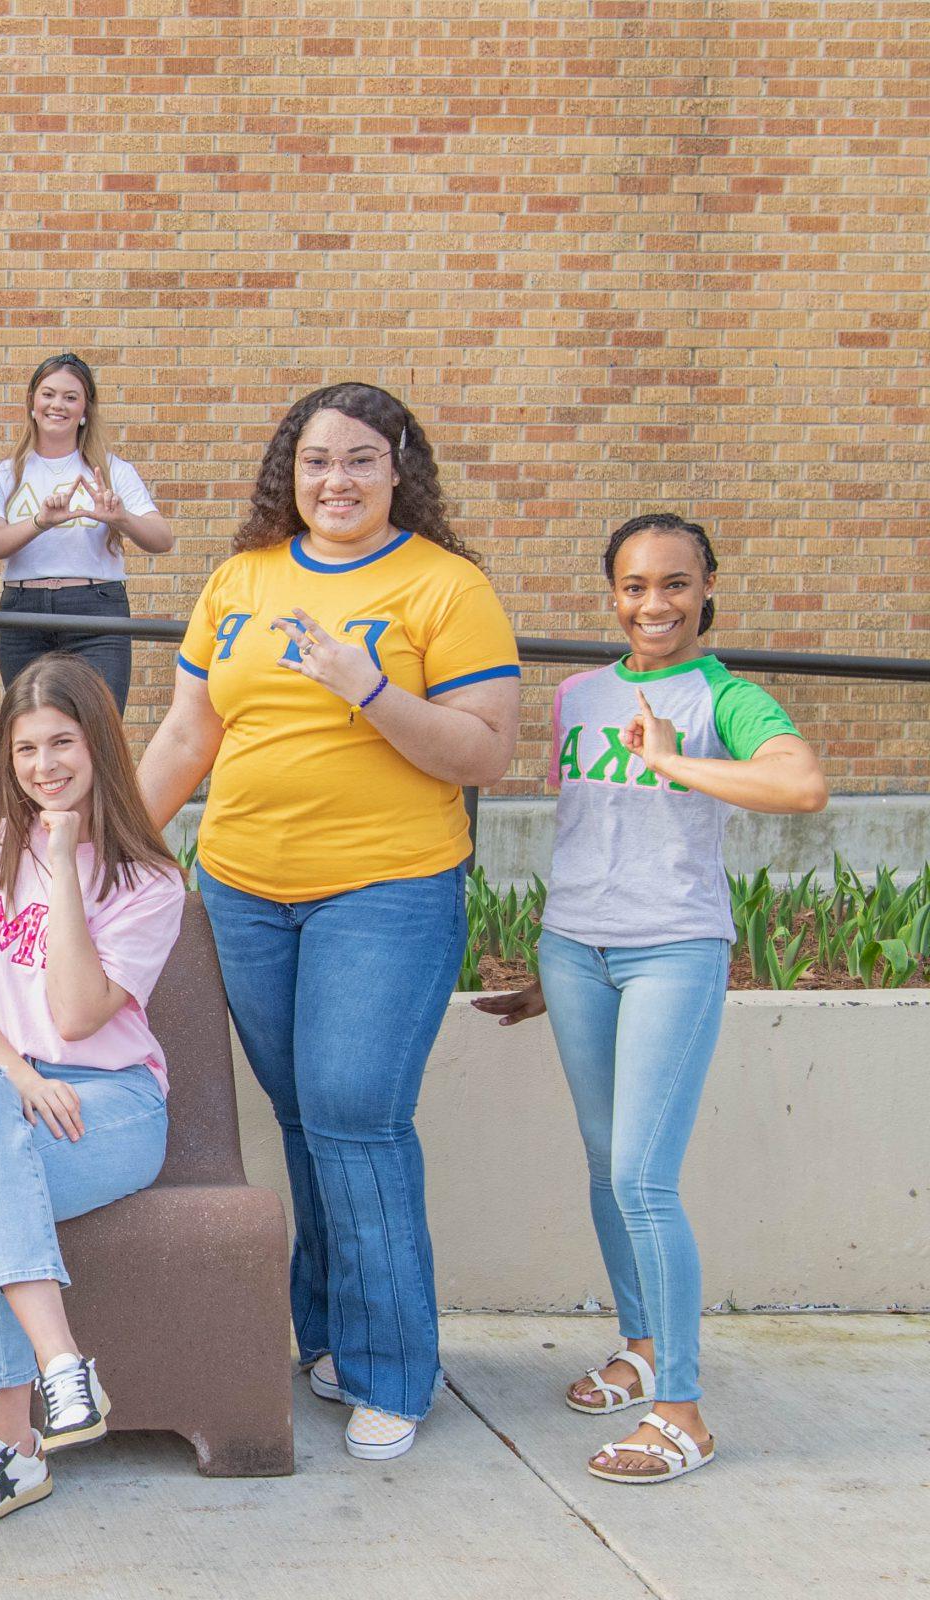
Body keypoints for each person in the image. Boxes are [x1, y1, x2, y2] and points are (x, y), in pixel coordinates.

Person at [136, 382, 522, 1461]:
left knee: (354, 1108)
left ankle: (394, 1365)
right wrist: (94, 834)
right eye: (315, 461)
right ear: (286, 473)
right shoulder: (240, 580)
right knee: (306, 1116)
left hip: (387, 890)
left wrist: (368, 689)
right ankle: (331, 1338)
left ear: (400, 468)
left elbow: (483, 751)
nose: (335, 481)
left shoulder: (445, 588)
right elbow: (183, 736)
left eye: (359, 459)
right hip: (249, 893)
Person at [473, 514, 825, 1487]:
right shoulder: (578, 696)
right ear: (611, 594)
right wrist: (550, 971)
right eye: (633, 586)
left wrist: (670, 757)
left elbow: (799, 787)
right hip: (576, 951)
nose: (653, 605)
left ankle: (680, 1413)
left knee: (642, 1178)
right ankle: (640, 1348)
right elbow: (593, 831)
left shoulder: (725, 697)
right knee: (604, 1168)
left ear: (707, 586)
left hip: (673, 950)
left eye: (673, 584)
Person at [0, 655, 186, 1525]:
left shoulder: (149, 880)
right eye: (25, 747)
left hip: (110, 1106)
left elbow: (74, 1014)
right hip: (4, 1087)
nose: (43, 765)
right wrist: (20, 1076)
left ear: (98, 744)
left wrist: (66, 862)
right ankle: (62, 1364)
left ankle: (14, 1447)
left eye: (62, 742)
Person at [0, 354, 174, 710]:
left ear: (84, 410)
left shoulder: (112, 470)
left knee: (98, 729)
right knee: (30, 729)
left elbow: (162, 538)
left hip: (95, 611)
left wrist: (120, 517)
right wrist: (41, 522)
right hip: (23, 613)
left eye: (71, 397)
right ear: (32, 403)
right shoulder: (6, 474)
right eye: (48, 394)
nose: (57, 405)